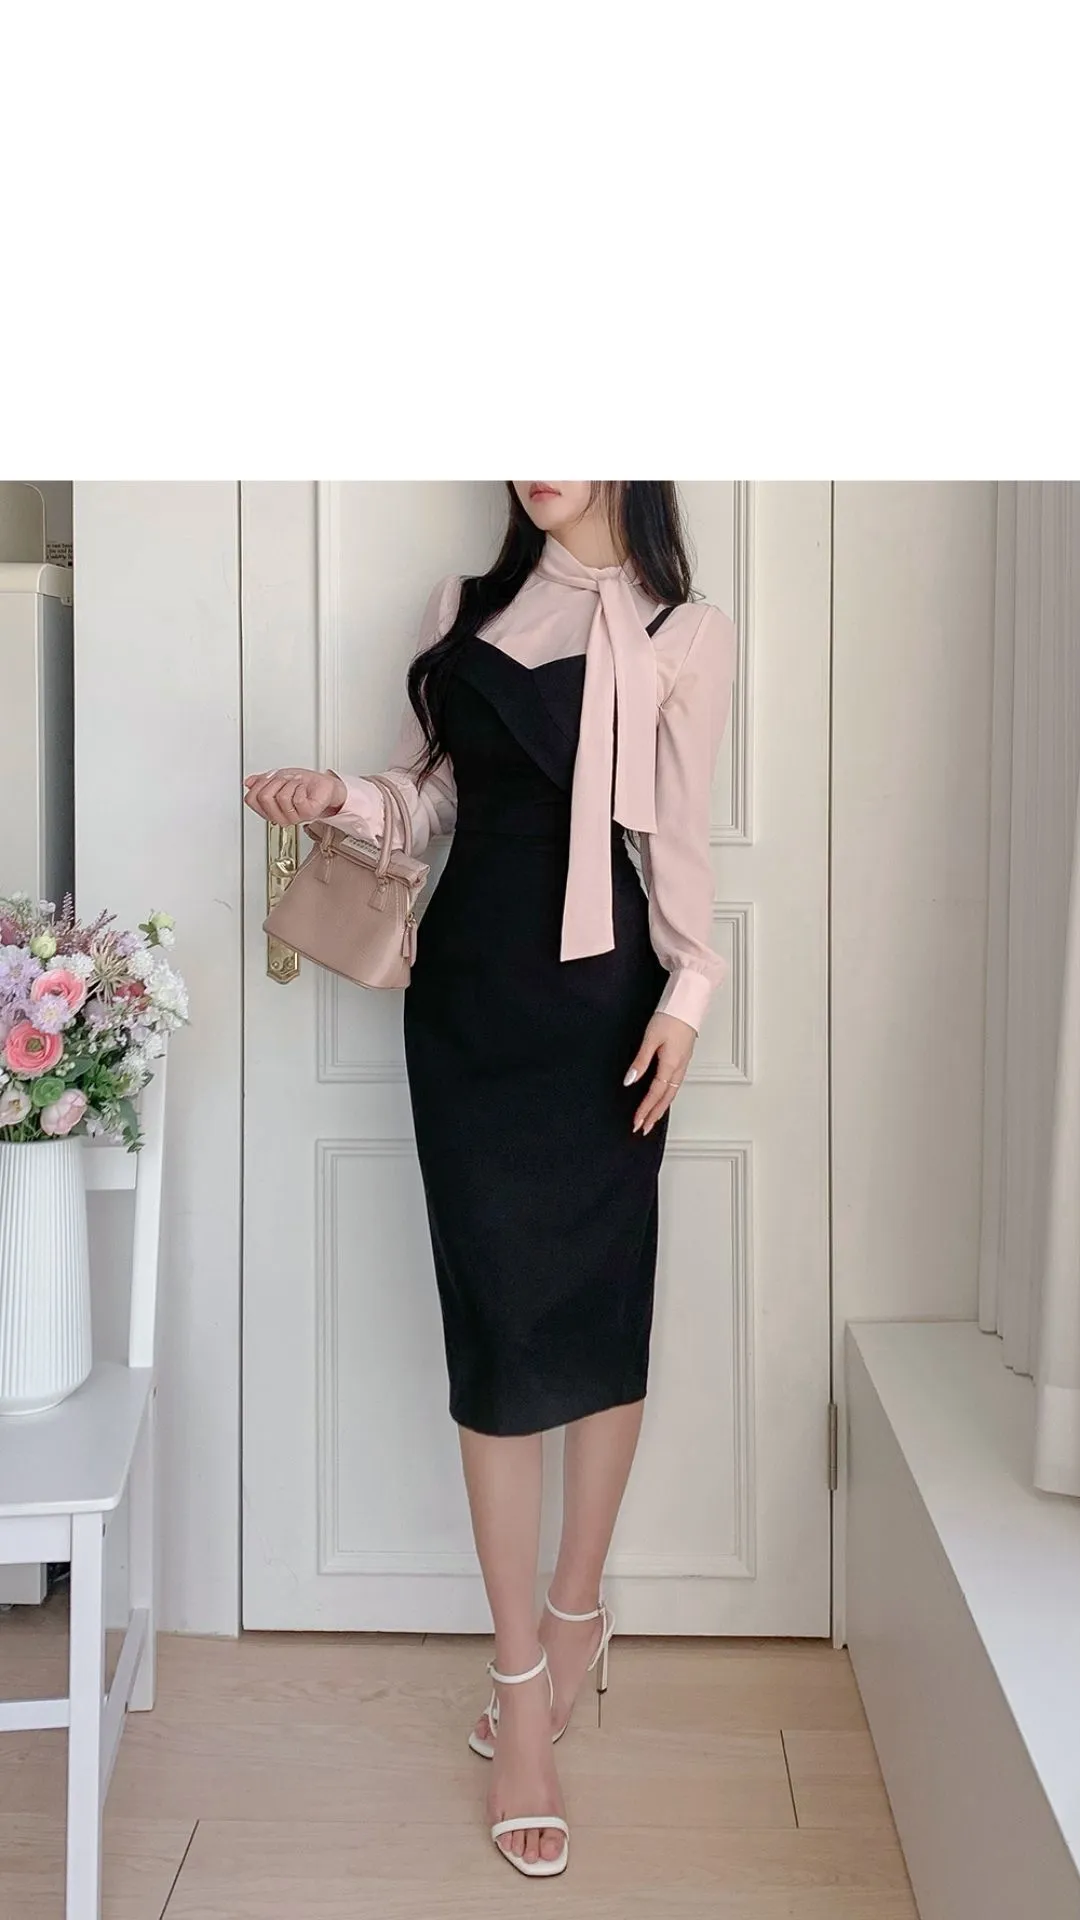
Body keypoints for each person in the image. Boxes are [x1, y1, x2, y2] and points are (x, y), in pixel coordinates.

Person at [244, 481, 737, 1880]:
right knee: (498, 1340)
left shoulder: (685, 632)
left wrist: (690, 998)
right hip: (469, 1007)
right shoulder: (464, 610)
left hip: (605, 1011)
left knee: (600, 1318)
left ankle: (577, 1612)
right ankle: (521, 1682)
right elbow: (431, 797)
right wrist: (340, 795)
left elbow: (679, 838)